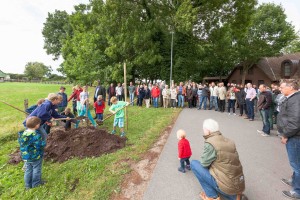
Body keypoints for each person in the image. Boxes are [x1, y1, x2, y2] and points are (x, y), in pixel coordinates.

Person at [191, 119, 245, 200]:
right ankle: (235, 196)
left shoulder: (210, 143)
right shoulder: (230, 141)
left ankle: (212, 196)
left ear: (208, 131)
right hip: (238, 183)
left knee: (194, 164)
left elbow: (204, 163)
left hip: (226, 184)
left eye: (204, 129)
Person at [277, 79, 300, 199]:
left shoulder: (295, 99)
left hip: (294, 137)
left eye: (282, 87)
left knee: (296, 164)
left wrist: (285, 135)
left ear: (290, 87)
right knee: (296, 163)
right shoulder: (293, 98)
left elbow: (295, 122)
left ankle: (298, 191)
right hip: (294, 135)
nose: (280, 89)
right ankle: (294, 181)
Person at [19, 116, 46, 189]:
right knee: (36, 170)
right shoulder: (35, 135)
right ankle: (36, 184)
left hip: (26, 156)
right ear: (37, 125)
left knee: (28, 170)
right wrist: (43, 143)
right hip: (35, 156)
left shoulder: (23, 134)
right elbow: (39, 145)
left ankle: (27, 185)